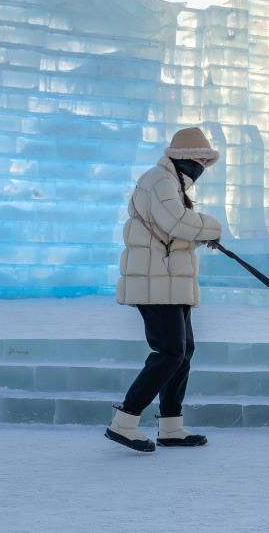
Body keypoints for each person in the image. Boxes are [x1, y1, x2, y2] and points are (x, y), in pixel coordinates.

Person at [106, 127, 222, 453]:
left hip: (168, 281)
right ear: (182, 158)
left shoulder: (171, 182)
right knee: (170, 352)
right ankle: (124, 421)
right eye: (199, 158)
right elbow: (176, 222)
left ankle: (171, 427)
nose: (202, 165)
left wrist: (200, 234)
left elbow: (171, 230)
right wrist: (211, 228)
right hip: (155, 282)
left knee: (183, 352)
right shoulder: (160, 180)